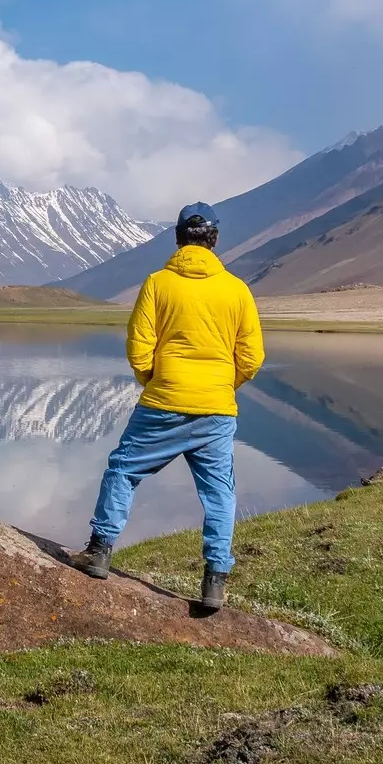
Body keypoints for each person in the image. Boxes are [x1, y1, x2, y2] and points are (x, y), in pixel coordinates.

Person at [74, 201, 264, 610]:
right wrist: (222, 386)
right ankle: (215, 581)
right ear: (214, 239)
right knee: (220, 495)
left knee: (123, 469)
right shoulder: (236, 290)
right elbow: (251, 357)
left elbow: (139, 346)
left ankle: (99, 552)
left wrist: (154, 380)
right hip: (216, 409)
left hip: (163, 402)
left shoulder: (158, 283)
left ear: (178, 238)